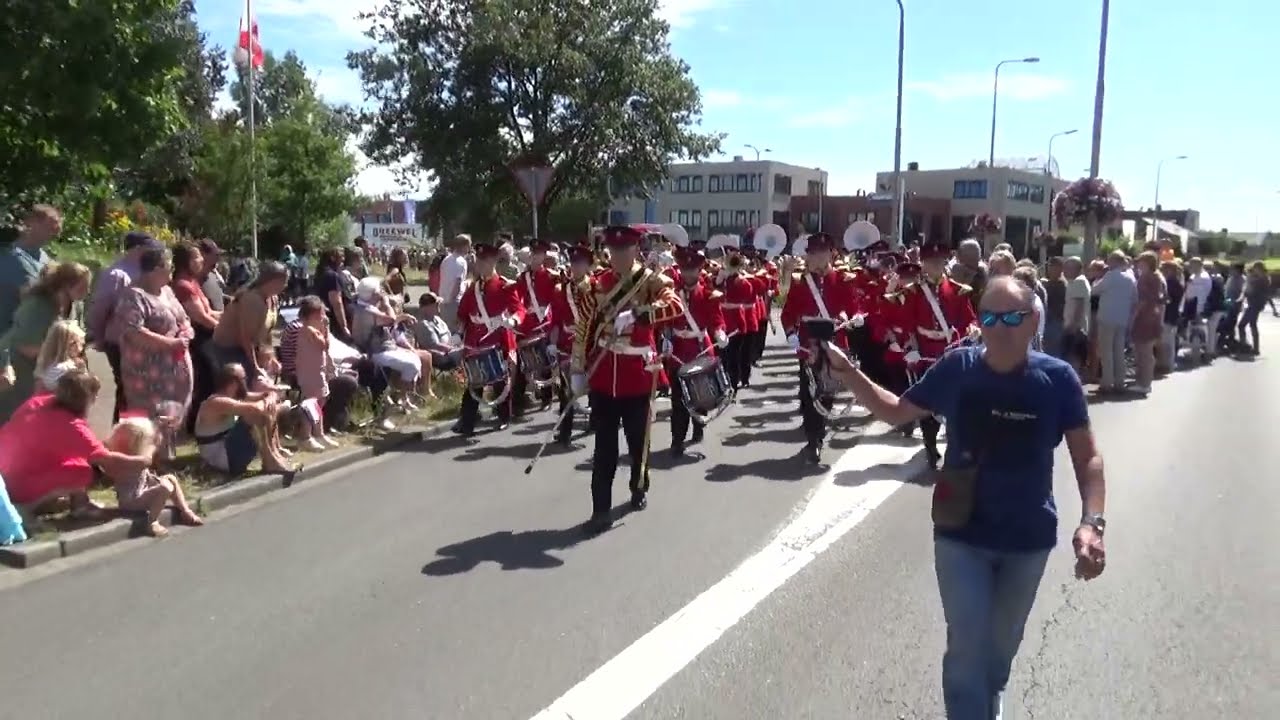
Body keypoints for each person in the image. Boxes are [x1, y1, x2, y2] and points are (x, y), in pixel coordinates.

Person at [823, 275, 1107, 720]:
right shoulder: (958, 368)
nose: (999, 327)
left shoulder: (1057, 380)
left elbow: (1087, 457)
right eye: (989, 317)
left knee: (999, 651)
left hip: (1027, 538)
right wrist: (848, 372)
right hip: (961, 534)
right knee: (966, 647)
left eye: (1011, 317)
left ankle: (989, 699)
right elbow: (895, 411)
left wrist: (1092, 521)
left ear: (1034, 320)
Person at [569, 225, 684, 534]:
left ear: (635, 249)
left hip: (638, 376)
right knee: (604, 447)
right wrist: (577, 370)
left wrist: (639, 314)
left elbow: (675, 305)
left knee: (637, 441)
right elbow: (583, 329)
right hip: (605, 375)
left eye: (624, 250)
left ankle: (639, 484)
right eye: (614, 250)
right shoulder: (596, 285)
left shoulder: (651, 281)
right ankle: (601, 510)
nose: (618, 256)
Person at [891, 239, 979, 468]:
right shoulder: (913, 292)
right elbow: (905, 324)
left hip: (951, 350)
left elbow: (969, 318)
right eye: (931, 262)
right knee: (928, 402)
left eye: (940, 262)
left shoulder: (958, 290)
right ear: (923, 263)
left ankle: (954, 445)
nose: (936, 266)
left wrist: (972, 328)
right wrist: (910, 349)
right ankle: (930, 444)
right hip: (926, 352)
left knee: (955, 401)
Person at [778, 232, 861, 465]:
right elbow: (787, 314)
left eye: (821, 253)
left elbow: (853, 307)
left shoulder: (843, 280)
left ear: (830, 254)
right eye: (813, 253)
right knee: (808, 392)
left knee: (827, 393)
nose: (817, 257)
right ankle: (813, 439)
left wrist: (853, 317)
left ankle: (817, 436)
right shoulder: (799, 282)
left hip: (834, 344)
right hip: (808, 346)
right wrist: (791, 334)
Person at [110, 247, 195, 457]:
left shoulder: (167, 291)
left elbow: (183, 317)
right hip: (146, 372)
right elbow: (133, 331)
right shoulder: (133, 295)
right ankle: (146, 459)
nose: (172, 271)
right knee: (149, 415)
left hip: (173, 366)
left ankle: (166, 455)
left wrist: (185, 332)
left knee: (171, 412)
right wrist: (169, 343)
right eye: (169, 267)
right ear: (156, 269)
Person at [87, 230, 164, 423]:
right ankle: (120, 432)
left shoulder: (143, 272)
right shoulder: (116, 275)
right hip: (120, 342)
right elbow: (100, 308)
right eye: (149, 248)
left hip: (144, 343)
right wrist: (98, 336)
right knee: (125, 391)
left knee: (142, 391)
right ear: (137, 249)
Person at [0, 260, 91, 420]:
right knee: (14, 418)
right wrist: (61, 355)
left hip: (47, 371)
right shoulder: (38, 305)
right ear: (65, 285)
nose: (87, 291)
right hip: (17, 368)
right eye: (82, 287)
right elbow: (25, 346)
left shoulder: (75, 307)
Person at [454, 242, 525, 436]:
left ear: (493, 262)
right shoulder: (473, 288)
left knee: (500, 380)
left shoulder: (504, 285)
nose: (480, 265)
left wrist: (514, 320)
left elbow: (519, 309)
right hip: (475, 341)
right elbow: (463, 313)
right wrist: (457, 333)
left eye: (485, 261)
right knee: (474, 382)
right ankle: (466, 421)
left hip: (497, 337)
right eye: (478, 261)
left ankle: (504, 416)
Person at [665, 246, 727, 456]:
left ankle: (698, 426)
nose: (689, 273)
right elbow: (664, 319)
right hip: (677, 350)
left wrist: (719, 333)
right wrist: (664, 339)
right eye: (685, 269)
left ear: (700, 270)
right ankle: (677, 440)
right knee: (678, 400)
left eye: (693, 269)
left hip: (699, 348)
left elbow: (716, 320)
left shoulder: (709, 295)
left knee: (699, 394)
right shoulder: (671, 294)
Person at [103, 417, 203, 537]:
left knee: (170, 478)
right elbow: (148, 458)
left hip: (141, 491)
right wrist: (154, 442)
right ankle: (152, 521)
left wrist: (158, 430)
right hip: (131, 502)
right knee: (165, 487)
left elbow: (154, 446)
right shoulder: (129, 460)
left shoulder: (134, 456)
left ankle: (185, 511)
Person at [548, 243, 595, 446]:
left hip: (591, 343)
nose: (575, 268)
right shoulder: (561, 290)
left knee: (594, 386)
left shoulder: (595, 288)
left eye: (580, 264)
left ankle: (596, 421)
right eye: (573, 263)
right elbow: (556, 321)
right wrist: (552, 343)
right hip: (568, 344)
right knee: (565, 390)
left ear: (588, 266)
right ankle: (565, 430)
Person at [513, 238, 561, 411]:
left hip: (544, 323)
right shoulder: (522, 278)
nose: (535, 257)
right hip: (526, 324)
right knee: (520, 364)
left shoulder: (550, 276)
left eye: (539, 254)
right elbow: (517, 301)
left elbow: (556, 301)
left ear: (543, 256)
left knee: (545, 361)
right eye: (533, 254)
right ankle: (517, 402)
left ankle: (547, 397)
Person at [0, 204, 59, 336]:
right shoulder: (12, 257)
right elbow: (29, 296)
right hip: (10, 336)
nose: (56, 230)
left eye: (57, 225)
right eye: (50, 224)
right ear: (31, 223)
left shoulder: (45, 258)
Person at [1091, 251, 1137, 392]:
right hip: (1122, 318)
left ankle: (1107, 382)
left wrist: (1098, 280)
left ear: (1114, 262)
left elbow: (1094, 290)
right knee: (1118, 351)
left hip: (1107, 317)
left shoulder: (1110, 276)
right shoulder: (1130, 278)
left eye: (1109, 260)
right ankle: (1119, 381)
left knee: (1106, 351)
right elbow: (1135, 299)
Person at [714, 248, 759, 390]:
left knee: (734, 354)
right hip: (725, 318)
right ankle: (728, 380)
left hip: (735, 318)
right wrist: (720, 279)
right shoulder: (725, 280)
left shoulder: (743, 282)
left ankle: (734, 381)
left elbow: (748, 294)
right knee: (725, 354)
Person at [438, 234, 472, 333]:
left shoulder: (446, 260)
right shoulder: (461, 262)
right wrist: (452, 300)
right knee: (455, 333)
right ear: (465, 246)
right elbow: (457, 283)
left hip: (442, 300)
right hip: (454, 302)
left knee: (446, 331)